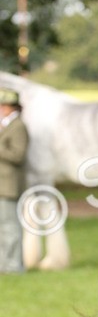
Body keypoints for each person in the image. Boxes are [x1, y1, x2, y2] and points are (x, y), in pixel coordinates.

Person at [0, 86, 29, 274]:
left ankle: (14, 266)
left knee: (10, 227)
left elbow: (18, 155)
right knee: (3, 228)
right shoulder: (7, 125)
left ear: (11, 107)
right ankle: (5, 264)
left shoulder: (18, 127)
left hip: (9, 185)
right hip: (3, 185)